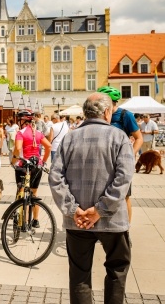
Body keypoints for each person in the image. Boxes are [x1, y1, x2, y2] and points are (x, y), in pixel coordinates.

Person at [48, 92, 135, 304]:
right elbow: (124, 178)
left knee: (79, 274)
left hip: (77, 221)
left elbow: (55, 177)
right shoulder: (119, 136)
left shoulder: (70, 137)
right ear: (107, 112)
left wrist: (72, 209)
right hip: (112, 221)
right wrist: (100, 210)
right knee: (117, 270)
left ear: (85, 113)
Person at [97, 86, 143, 223]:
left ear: (112, 101)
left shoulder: (125, 115)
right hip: (103, 161)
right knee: (102, 194)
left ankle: (126, 228)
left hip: (121, 161)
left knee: (124, 196)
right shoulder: (99, 114)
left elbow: (139, 138)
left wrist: (130, 155)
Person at [11, 110, 51, 228]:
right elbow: (48, 146)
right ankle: (35, 220)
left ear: (23, 121)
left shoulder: (21, 133)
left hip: (23, 166)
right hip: (36, 166)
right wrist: (43, 161)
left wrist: (13, 160)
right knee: (33, 193)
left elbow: (18, 149)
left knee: (21, 192)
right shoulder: (38, 132)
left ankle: (23, 220)